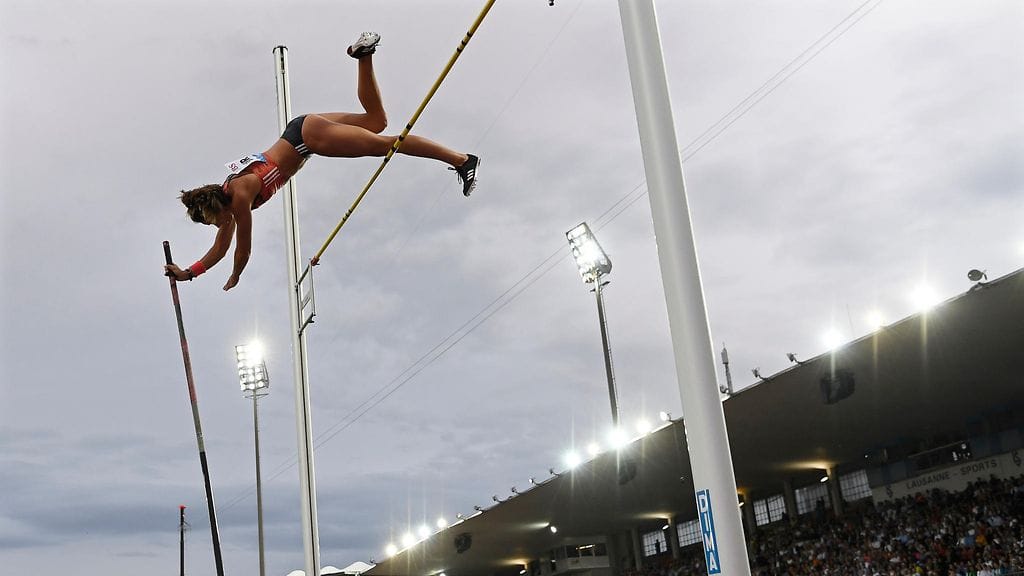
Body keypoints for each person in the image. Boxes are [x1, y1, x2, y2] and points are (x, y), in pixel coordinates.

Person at [164, 32, 480, 291]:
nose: (216, 226)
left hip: (306, 139)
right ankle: (364, 54)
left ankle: (461, 159)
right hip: (302, 130)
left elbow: (241, 248)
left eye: (211, 221)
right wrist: (188, 274)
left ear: (215, 207)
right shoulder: (230, 202)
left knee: (386, 144)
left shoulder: (241, 195)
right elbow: (220, 248)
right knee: (377, 120)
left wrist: (237, 274)